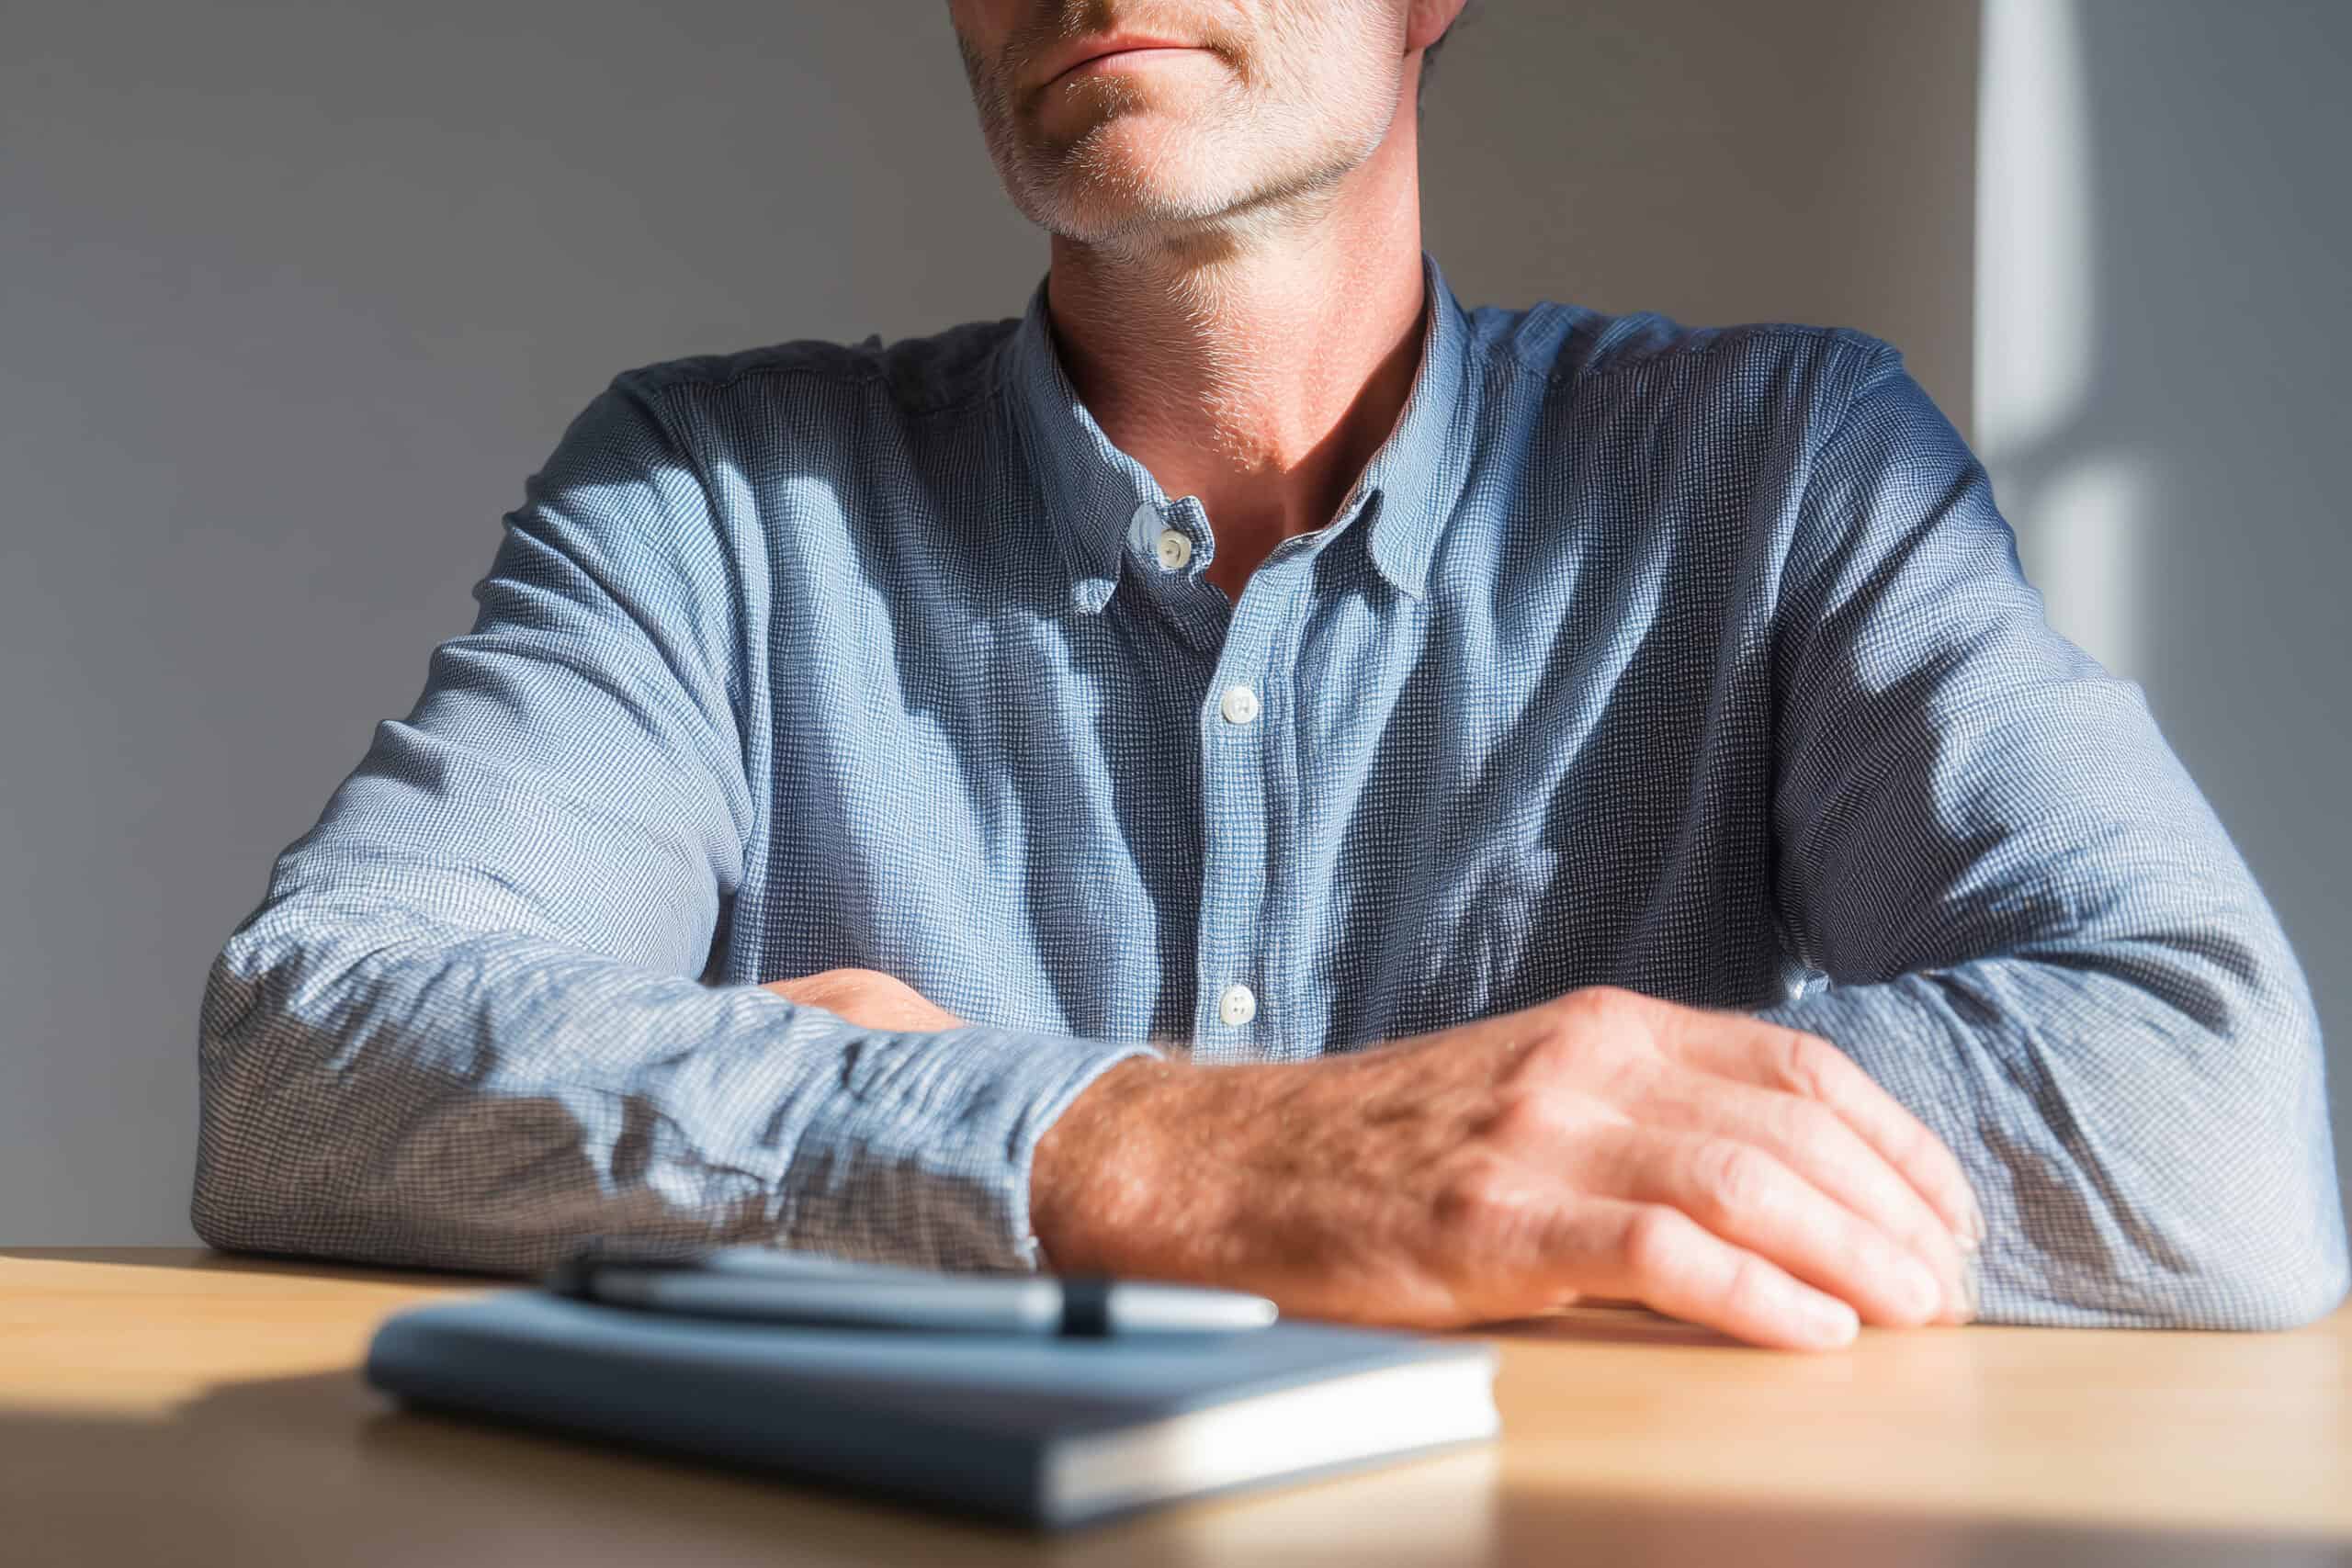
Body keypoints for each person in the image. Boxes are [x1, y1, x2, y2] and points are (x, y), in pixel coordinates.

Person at [190, 0, 2347, 1350]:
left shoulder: (1785, 472)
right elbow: (310, 1049)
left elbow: (2207, 1118)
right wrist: (1146, 1155)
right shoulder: (708, 494)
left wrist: (862, 1128)